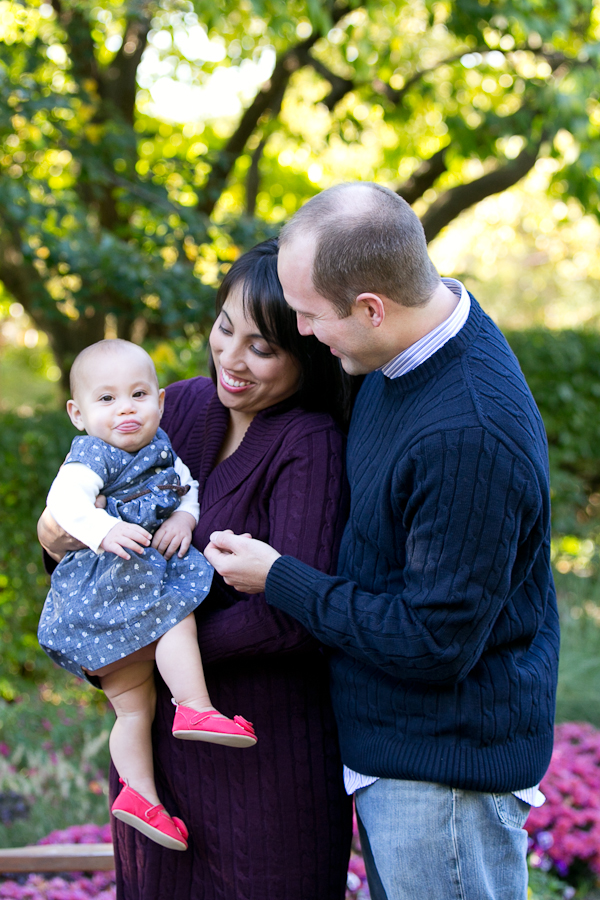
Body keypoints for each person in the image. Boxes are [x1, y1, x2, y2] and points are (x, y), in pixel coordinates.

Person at [204, 183, 561, 900]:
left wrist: (280, 578)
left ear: (371, 308)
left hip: (443, 777)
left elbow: (433, 642)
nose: (303, 333)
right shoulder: (400, 354)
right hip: (400, 759)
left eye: (308, 315)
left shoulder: (468, 434)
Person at [38, 239, 353, 900]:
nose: (230, 359)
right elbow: (95, 525)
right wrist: (56, 540)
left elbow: (292, 618)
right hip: (160, 768)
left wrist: (145, 647)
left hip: (262, 770)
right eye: (224, 328)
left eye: (262, 348)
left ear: (309, 352)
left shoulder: (309, 444)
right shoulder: (173, 407)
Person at [39, 339, 257, 852]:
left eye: (138, 395)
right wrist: (101, 530)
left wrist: (184, 517)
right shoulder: (91, 455)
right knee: (176, 608)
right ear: (77, 413)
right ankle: (195, 705)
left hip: (123, 591)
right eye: (107, 399)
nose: (126, 409)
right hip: (105, 584)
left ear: (159, 401)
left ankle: (141, 797)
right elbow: (63, 503)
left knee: (133, 708)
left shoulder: (160, 447)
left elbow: (187, 488)